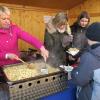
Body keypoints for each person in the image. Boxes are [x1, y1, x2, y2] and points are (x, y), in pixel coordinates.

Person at [71, 22, 100, 100]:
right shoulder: (91, 53)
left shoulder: (89, 57)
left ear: (89, 37)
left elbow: (79, 80)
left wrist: (73, 70)